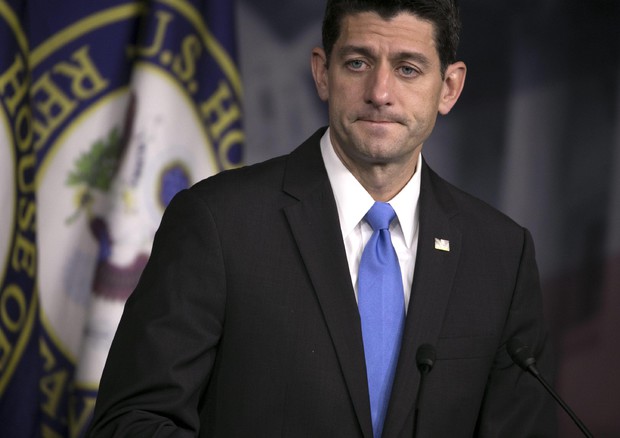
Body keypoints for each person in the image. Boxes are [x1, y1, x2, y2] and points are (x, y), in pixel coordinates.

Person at [88, 0, 557, 436]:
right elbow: (132, 420)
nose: (380, 93)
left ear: (449, 87)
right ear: (322, 73)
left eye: (408, 69)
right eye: (358, 63)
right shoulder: (218, 222)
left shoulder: (501, 254)